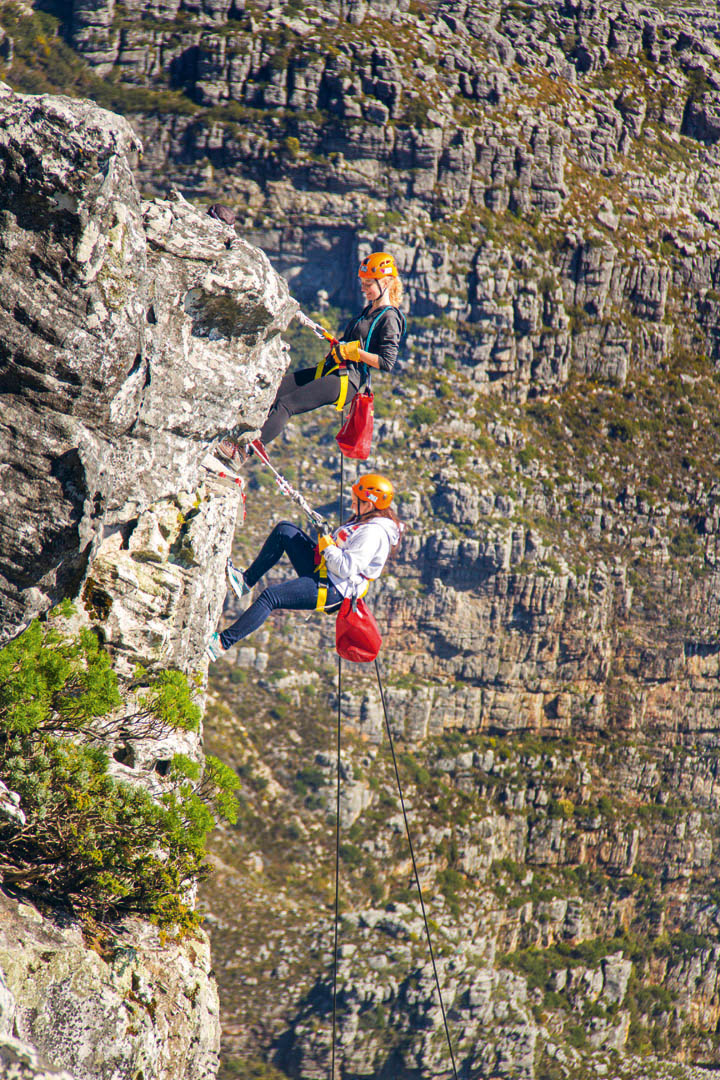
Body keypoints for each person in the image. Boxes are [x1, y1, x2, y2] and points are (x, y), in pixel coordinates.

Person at [216, 251, 406, 467]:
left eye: (368, 284)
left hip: (347, 381)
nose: (363, 288)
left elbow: (387, 362)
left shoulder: (390, 318)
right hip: (333, 369)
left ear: (385, 283)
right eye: (362, 283)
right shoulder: (369, 309)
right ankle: (237, 437)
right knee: (276, 390)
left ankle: (242, 453)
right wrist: (342, 346)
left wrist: (354, 352)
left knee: (286, 405)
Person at [207, 474, 401, 660]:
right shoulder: (364, 521)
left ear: (369, 504)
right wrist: (326, 539)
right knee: (284, 531)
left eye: (355, 501)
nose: (351, 505)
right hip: (326, 570)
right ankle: (245, 581)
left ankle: (222, 643)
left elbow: (345, 568)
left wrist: (327, 543)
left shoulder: (372, 534)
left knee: (270, 597)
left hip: (333, 587)